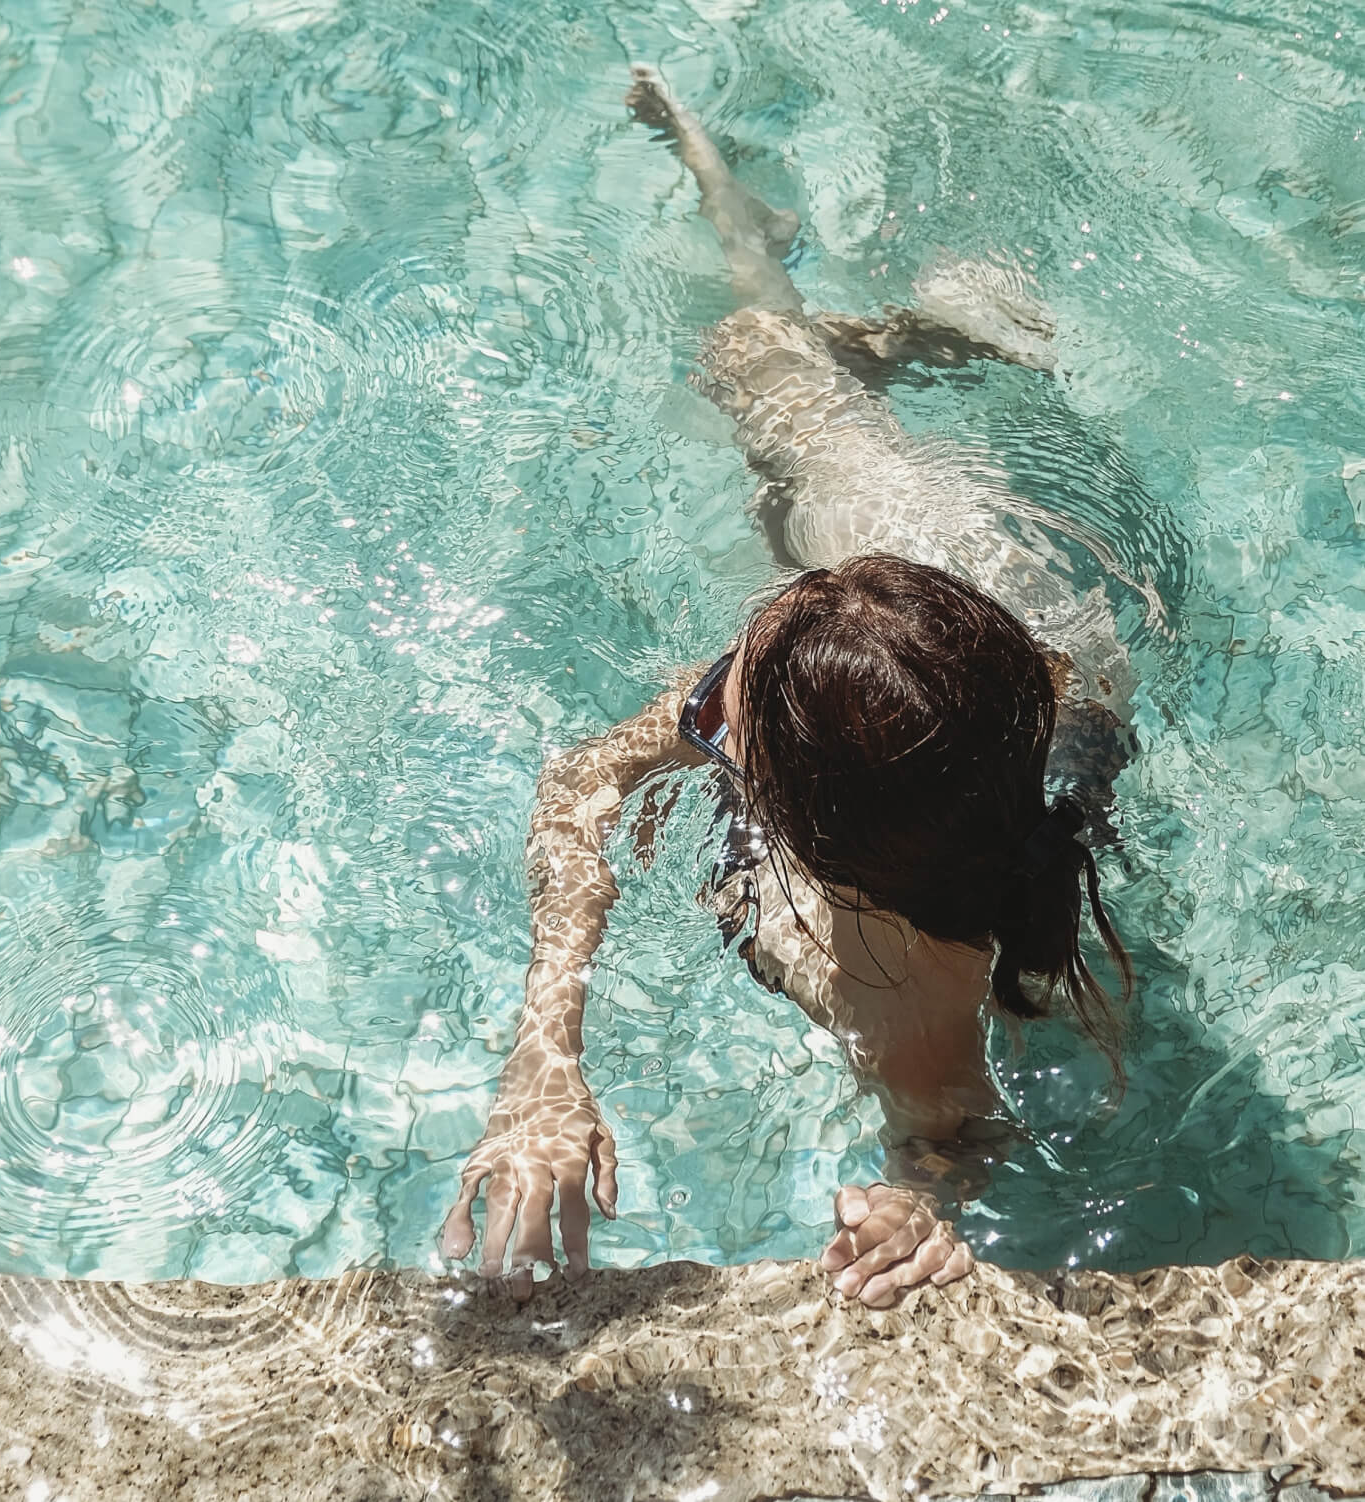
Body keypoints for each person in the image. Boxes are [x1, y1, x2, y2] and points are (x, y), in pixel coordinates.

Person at [440, 67, 1138, 1306]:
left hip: (984, 652)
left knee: (766, 373)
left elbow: (953, 1131)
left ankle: (875, 333)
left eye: (725, 707)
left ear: (792, 820)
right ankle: (790, 265)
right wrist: (543, 1057)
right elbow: (583, 775)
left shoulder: (892, 988)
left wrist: (919, 1203)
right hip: (986, 599)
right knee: (749, 355)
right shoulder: (979, 688)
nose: (697, 705)